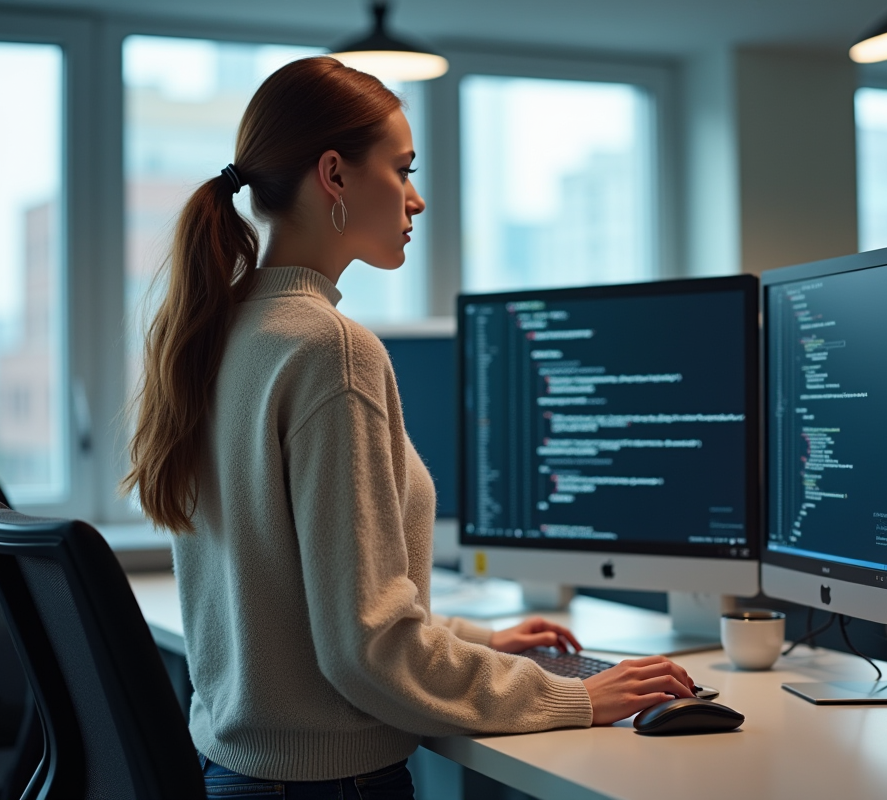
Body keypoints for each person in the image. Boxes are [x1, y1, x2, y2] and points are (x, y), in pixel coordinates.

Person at [123, 56, 696, 799]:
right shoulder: (330, 349)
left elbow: (313, 610)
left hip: (241, 775)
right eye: (402, 170)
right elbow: (366, 651)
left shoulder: (223, 330)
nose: (416, 200)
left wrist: (478, 641)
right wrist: (574, 696)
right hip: (330, 786)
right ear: (334, 174)